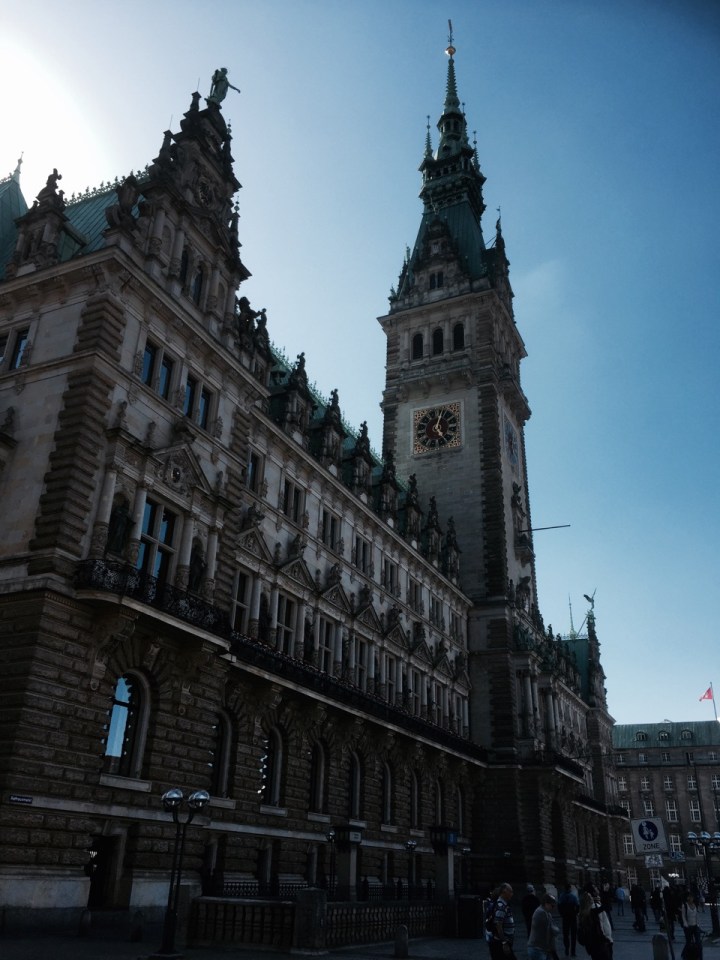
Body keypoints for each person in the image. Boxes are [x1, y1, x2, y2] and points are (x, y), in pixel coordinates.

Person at [578, 889, 613, 960]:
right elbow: (606, 906)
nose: (592, 899)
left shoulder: (582, 915)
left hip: (591, 946)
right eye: (591, 898)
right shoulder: (592, 913)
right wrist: (604, 891)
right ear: (589, 901)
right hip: (600, 944)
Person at [488, 882, 517, 959]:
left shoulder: (504, 904)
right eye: (510, 892)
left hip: (503, 942)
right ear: (504, 891)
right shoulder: (501, 906)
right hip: (501, 944)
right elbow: (498, 925)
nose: (512, 894)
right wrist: (504, 943)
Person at [528, 894, 560, 960]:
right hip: (537, 949)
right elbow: (552, 929)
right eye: (552, 905)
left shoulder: (547, 913)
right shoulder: (541, 912)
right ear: (546, 904)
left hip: (543, 949)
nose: (553, 908)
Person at [558, 882, 580, 957]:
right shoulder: (573, 897)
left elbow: (559, 906)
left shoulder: (561, 896)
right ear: (570, 888)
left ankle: (567, 947)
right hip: (573, 917)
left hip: (565, 918)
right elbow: (577, 906)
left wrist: (561, 914)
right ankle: (573, 952)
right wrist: (576, 913)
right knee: (573, 936)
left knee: (565, 934)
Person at [681, 891, 703, 956]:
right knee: (688, 942)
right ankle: (684, 954)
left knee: (698, 942)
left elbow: (697, 915)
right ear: (687, 898)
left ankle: (699, 955)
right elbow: (683, 916)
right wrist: (686, 924)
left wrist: (698, 924)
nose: (691, 899)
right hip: (688, 927)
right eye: (690, 897)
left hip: (695, 926)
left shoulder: (695, 905)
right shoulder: (684, 905)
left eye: (692, 897)